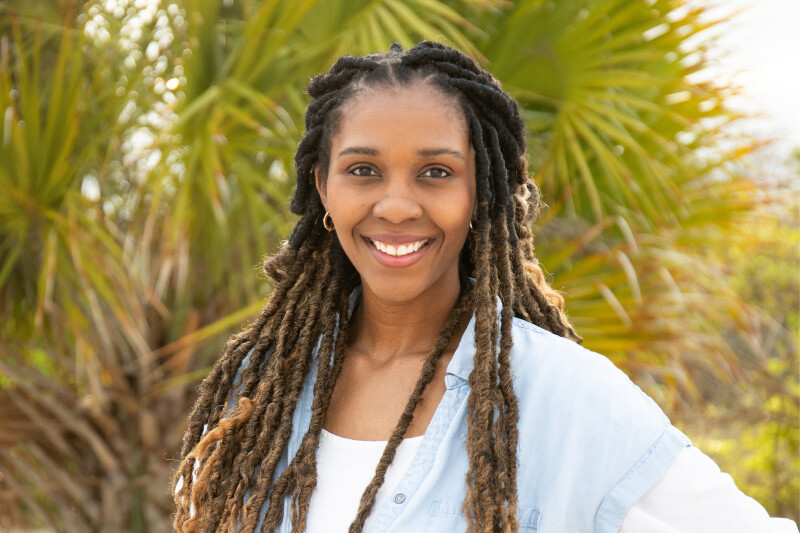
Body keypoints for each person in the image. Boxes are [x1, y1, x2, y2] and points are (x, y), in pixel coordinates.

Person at [171, 42, 797, 533]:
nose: (395, 205)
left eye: (435, 172)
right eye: (363, 170)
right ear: (322, 189)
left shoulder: (566, 396)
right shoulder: (261, 386)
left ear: (481, 193)